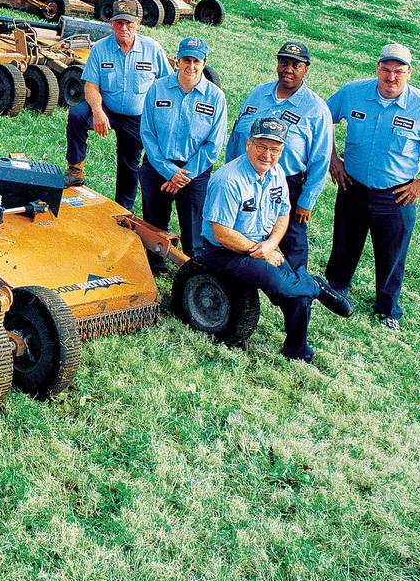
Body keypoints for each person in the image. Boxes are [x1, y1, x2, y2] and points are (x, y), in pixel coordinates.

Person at [323, 43, 420, 330]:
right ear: (377, 68)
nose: (391, 78)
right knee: (344, 245)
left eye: (398, 71)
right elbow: (322, 118)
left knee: (391, 254)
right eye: (386, 70)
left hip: (396, 196)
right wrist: (331, 159)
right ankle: (335, 290)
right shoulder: (353, 93)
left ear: (409, 72)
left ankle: (387, 308)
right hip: (353, 187)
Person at [198, 114, 352, 362]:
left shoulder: (277, 173)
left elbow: (284, 214)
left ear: (282, 150)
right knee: (280, 282)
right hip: (225, 252)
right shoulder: (228, 181)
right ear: (249, 144)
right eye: (261, 147)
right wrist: (260, 251)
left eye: (275, 149)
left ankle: (297, 351)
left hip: (262, 245)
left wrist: (270, 245)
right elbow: (222, 233)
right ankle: (316, 285)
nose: (267, 155)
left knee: (298, 296)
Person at [223, 40, 332, 272]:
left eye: (296, 64)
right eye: (284, 62)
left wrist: (306, 201)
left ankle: (296, 289)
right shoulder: (258, 94)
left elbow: (321, 160)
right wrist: (228, 175)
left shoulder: (316, 108)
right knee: (240, 236)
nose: (288, 69)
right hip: (244, 179)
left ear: (306, 69)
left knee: (292, 245)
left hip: (287, 185)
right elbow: (237, 136)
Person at [65, 0, 172, 209]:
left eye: (129, 23)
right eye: (119, 23)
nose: (124, 28)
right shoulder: (100, 49)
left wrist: (158, 118)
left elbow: (166, 87)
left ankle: (123, 209)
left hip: (137, 115)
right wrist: (97, 111)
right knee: (77, 115)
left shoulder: (153, 49)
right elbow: (91, 86)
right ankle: (75, 170)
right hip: (108, 107)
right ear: (112, 23)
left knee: (129, 165)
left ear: (138, 23)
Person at [138, 35, 227, 260]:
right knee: (153, 224)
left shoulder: (216, 98)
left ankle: (192, 272)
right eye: (186, 60)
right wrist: (169, 172)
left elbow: (213, 145)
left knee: (194, 232)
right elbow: (147, 134)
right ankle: (153, 265)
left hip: (194, 172)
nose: (191, 66)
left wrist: (183, 176)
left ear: (204, 64)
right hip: (158, 166)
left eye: (197, 61)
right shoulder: (157, 89)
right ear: (177, 61)